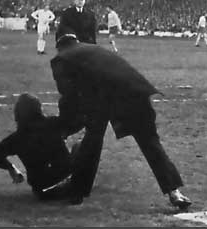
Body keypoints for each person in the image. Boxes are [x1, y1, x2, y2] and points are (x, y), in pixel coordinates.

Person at [50, 26, 192, 208]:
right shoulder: (94, 49)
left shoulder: (61, 58)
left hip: (107, 98)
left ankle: (77, 191)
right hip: (136, 91)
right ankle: (175, 192)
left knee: (92, 140)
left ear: (58, 45)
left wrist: (66, 126)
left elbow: (68, 96)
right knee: (149, 142)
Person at [0, 93, 76, 200]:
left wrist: (11, 168)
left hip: (42, 188)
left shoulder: (17, 138)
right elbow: (76, 123)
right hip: (66, 176)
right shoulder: (53, 124)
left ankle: (65, 188)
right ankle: (75, 184)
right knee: (78, 148)